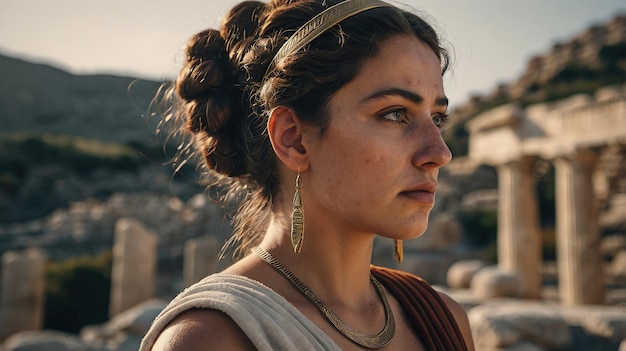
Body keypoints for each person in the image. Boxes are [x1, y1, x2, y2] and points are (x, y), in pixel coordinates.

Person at [140, 0, 475, 349]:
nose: (439, 153)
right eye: (395, 114)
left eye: (437, 118)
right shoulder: (210, 339)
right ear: (293, 139)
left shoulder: (443, 319)